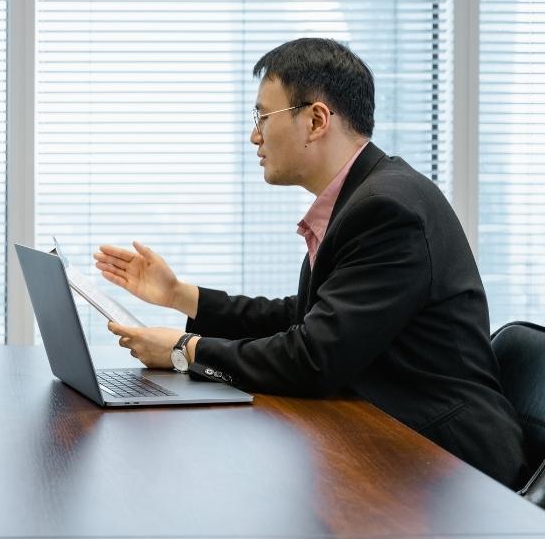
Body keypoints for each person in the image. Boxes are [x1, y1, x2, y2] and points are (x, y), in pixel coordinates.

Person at [94, 38, 526, 488]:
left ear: (316, 120)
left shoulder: (387, 209)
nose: (254, 136)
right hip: (393, 438)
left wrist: (185, 351)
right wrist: (178, 295)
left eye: (262, 116)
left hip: (451, 463)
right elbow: (303, 318)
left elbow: (314, 358)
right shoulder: (360, 199)